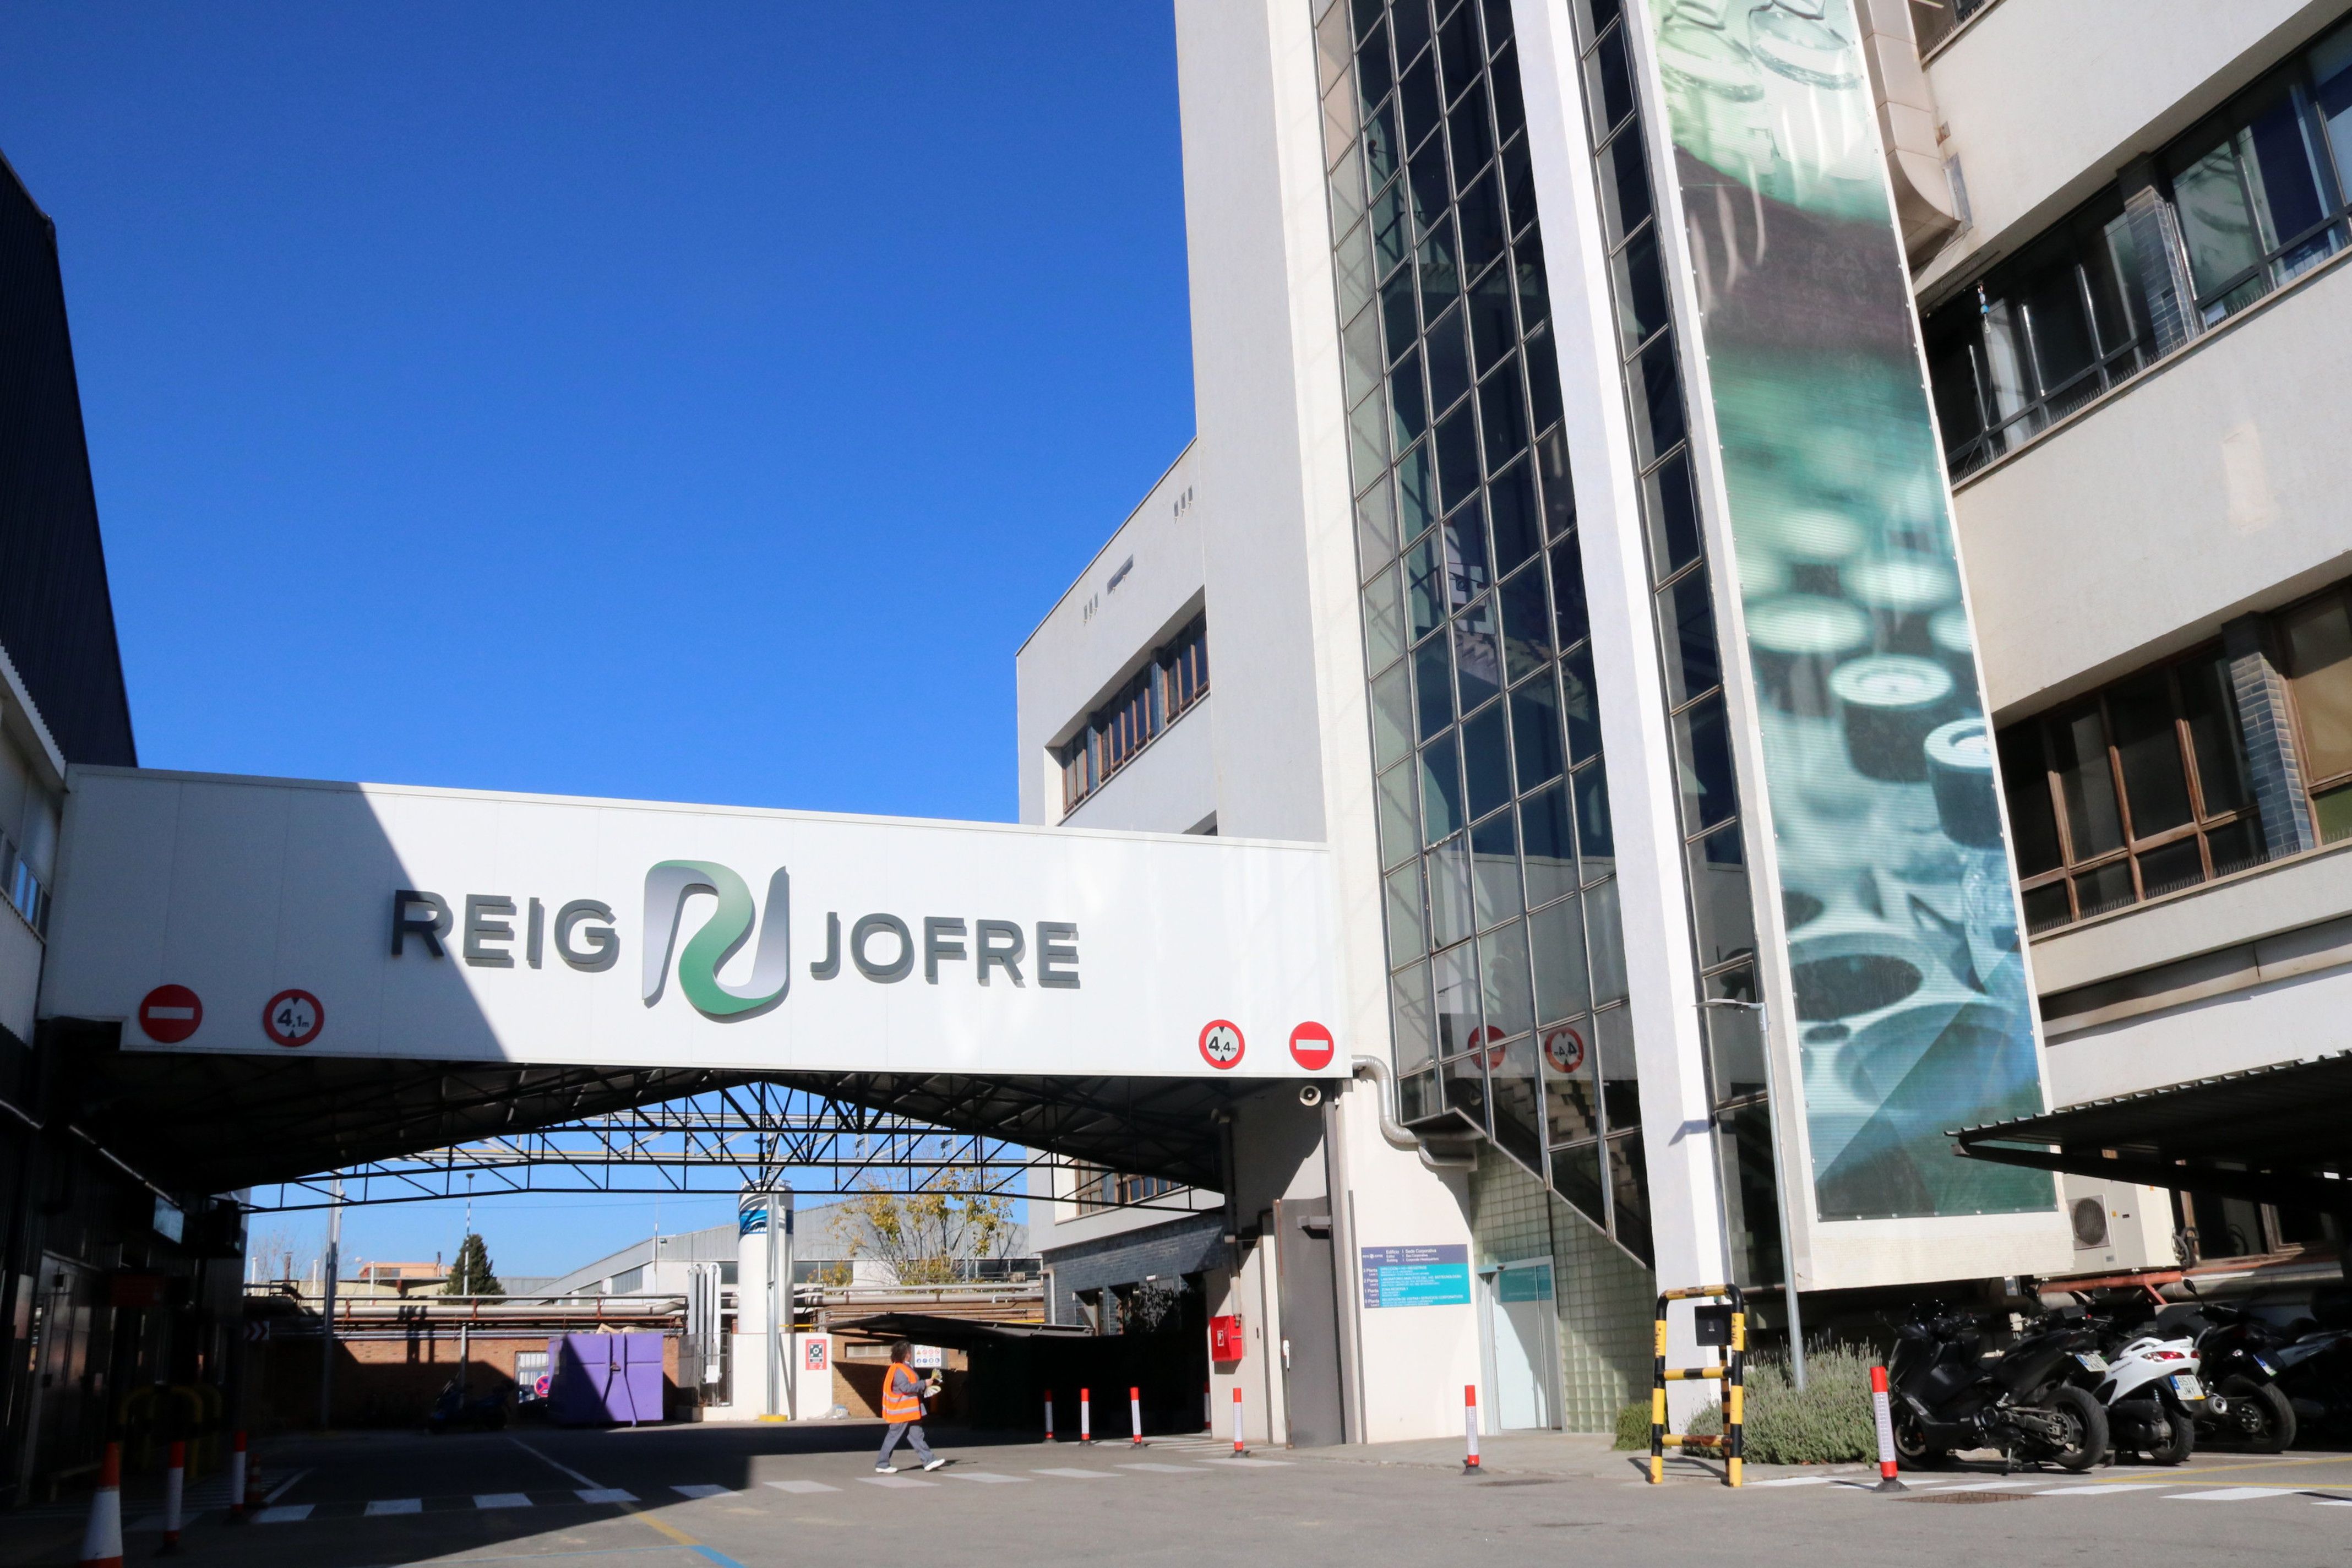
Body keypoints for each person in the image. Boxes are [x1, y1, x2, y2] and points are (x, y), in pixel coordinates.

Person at [875, 1340, 945, 1473]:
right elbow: (906, 1388)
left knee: (917, 1436)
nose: (911, 1353)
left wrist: (923, 1385)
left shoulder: (902, 1367)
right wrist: (924, 1384)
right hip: (903, 1411)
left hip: (908, 1411)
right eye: (909, 1351)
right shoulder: (900, 1369)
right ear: (906, 1354)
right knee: (894, 1437)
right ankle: (882, 1464)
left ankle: (929, 1461)